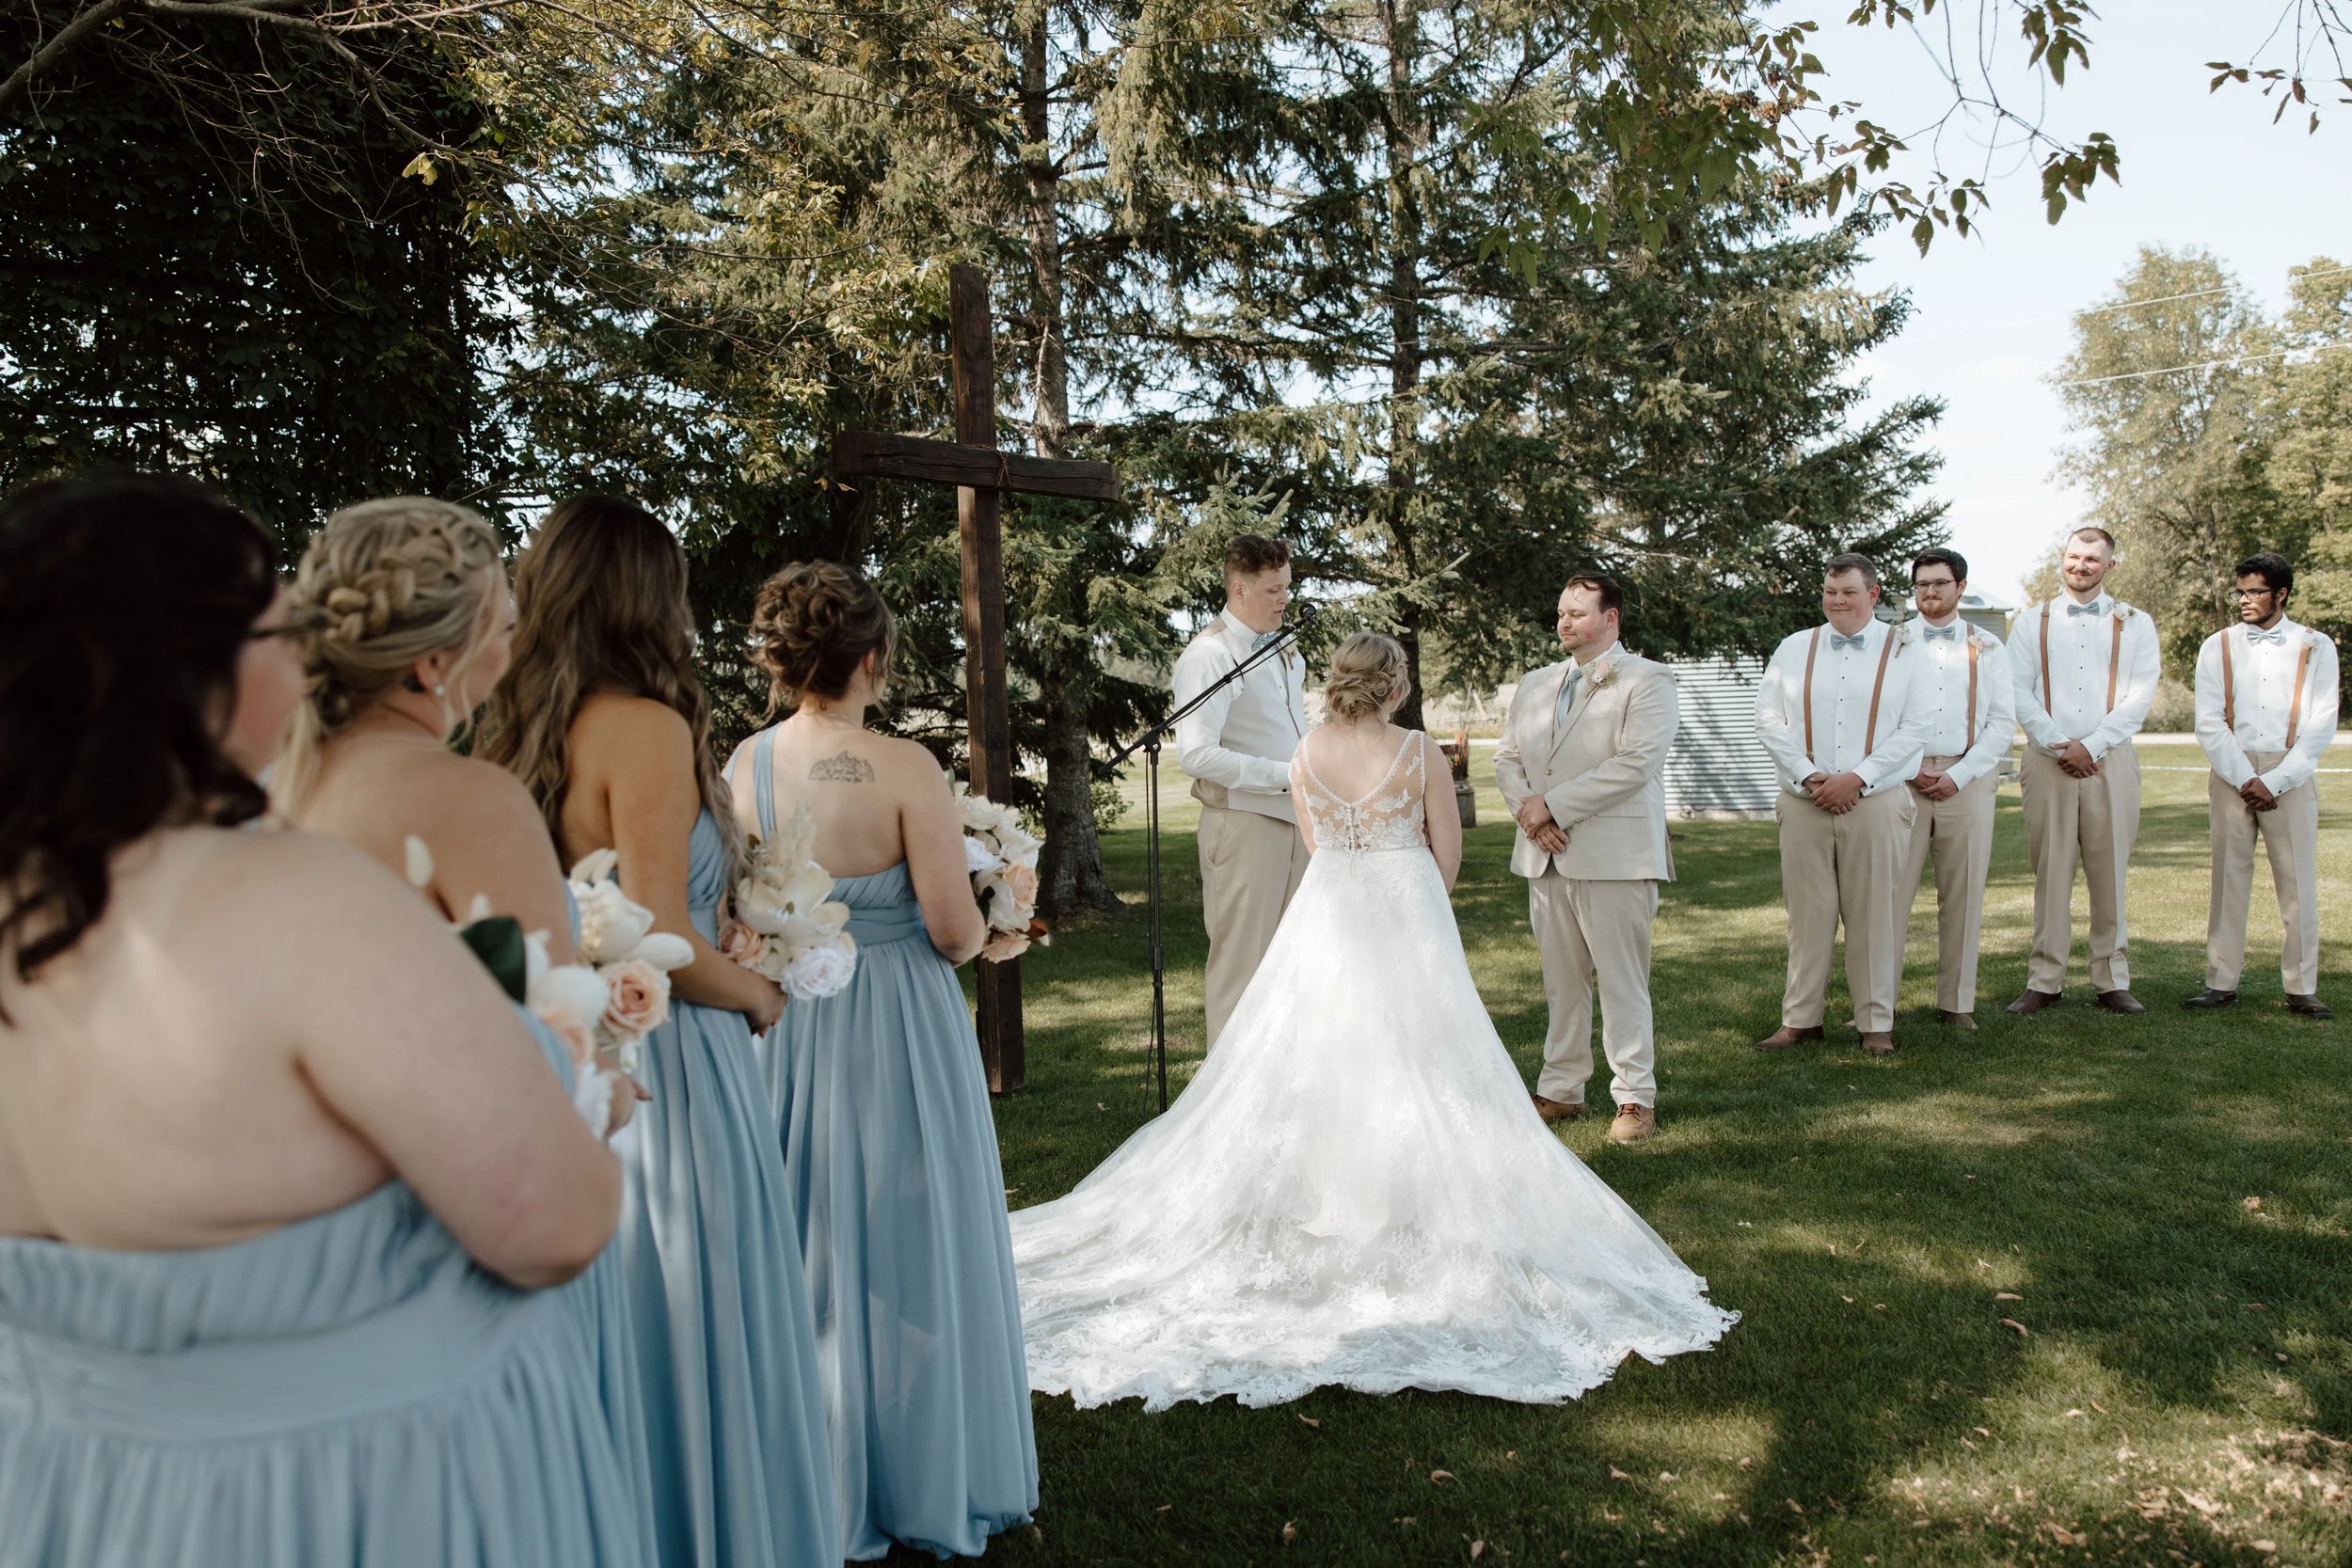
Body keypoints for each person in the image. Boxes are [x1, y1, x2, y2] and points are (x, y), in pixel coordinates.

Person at [0, 473, 642, 1567]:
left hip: (66, 1486)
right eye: (271, 625)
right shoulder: (297, 898)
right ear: (188, 667)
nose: (299, 653)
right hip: (335, 1490)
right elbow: (556, 1223)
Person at [1010, 633, 1734, 1410]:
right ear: (1394, 685)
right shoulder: (1418, 750)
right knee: (1421, 1056)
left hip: (1326, 911)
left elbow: (1319, 843)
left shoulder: (1304, 751)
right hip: (1405, 905)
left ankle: (1329, 1196)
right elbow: (1445, 854)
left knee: (1321, 1053)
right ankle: (1403, 1203)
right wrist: (1418, 901)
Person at [271, 495, 658, 1561]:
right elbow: (554, 1047)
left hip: (312, 1237)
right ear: (431, 664)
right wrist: (614, 1085)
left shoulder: (277, 790)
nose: (514, 635)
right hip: (451, 1225)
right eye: (499, 614)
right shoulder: (467, 799)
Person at [477, 497, 838, 1568]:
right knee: (695, 1301)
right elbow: (660, 933)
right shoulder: (643, 726)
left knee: (622, 1301)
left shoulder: (518, 721)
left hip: (569, 1057)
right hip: (672, 1060)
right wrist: (762, 995)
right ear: (651, 598)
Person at [724, 562, 1039, 1560]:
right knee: (914, 1240)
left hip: (791, 1019)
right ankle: (923, 1469)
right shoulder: (904, 766)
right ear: (871, 659)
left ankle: (811, 1465)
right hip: (899, 1018)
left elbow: (735, 906)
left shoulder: (745, 763)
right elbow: (949, 930)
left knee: (808, 1231)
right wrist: (996, 914)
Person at [1494, 571, 1679, 1143]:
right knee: (1561, 982)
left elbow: (1636, 763)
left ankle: (1634, 1097)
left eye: (1577, 612)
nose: (1564, 621)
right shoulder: (1534, 682)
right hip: (1544, 854)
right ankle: (1562, 1088)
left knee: (1624, 981)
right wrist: (1530, 813)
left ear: (1611, 617)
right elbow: (1506, 758)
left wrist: (1554, 807)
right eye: (1560, 611)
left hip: (1614, 855)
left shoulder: (1647, 680)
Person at [1753, 553, 1932, 1056]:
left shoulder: (1905, 650)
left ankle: (1875, 1023)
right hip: (1804, 800)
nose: (1837, 601)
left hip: (1874, 801)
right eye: (1830, 593)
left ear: (1872, 595)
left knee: (1873, 912)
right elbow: (1768, 719)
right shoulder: (1793, 647)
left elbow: (1915, 728)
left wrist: (1857, 778)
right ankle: (1800, 1020)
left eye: (1848, 592)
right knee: (1806, 914)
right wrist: (1811, 777)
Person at [2003, 527, 2161, 1017]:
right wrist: (2059, 745)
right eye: (2074, 556)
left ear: (2110, 566)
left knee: (2109, 868)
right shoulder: (2032, 622)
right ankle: (2045, 979)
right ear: (2062, 560)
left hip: (2110, 760)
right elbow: (2016, 690)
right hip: (2047, 762)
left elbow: (2139, 696)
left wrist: (2090, 745)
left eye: (2092, 558)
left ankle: (2112, 978)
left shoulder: (2135, 623)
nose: (2081, 565)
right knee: (2050, 868)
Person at [2184, 552, 2340, 1018]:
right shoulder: (2219, 645)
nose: (2245, 600)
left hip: (2289, 772)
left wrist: (2275, 779)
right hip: (2232, 770)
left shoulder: (2316, 645)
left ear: (2282, 594)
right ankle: (2220, 982)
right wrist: (2245, 777)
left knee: (2296, 883)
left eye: (2255, 592)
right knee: (2227, 879)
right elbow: (2209, 721)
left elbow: (2321, 720)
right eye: (2241, 592)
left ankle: (2301, 987)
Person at [1172, 533, 1310, 1047]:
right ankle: (1226, 1112)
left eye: (1287, 587)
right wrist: (1287, 776)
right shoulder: (1208, 655)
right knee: (1241, 969)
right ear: (1238, 588)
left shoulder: (1285, 646)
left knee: (1294, 964)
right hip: (1244, 824)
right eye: (1274, 589)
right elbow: (1197, 754)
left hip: (1298, 820)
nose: (1285, 599)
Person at [1896, 547, 2017, 1030]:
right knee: (1888, 895)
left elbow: (2001, 722)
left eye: (1939, 583)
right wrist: (1909, 767)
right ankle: (1876, 1004)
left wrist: (1959, 776)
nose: (1930, 592)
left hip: (1967, 778)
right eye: (1922, 584)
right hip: (1902, 779)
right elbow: (1883, 717)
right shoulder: (1895, 642)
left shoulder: (1989, 646)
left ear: (1960, 587)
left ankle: (1957, 1003)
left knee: (1963, 895)